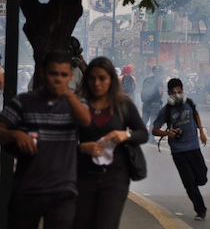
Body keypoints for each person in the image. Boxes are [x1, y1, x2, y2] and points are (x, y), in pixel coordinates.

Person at [0, 50, 91, 229]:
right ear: (43, 73)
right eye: (53, 74)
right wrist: (15, 134)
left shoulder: (76, 105)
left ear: (70, 77)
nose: (57, 79)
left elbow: (87, 122)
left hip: (62, 190)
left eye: (63, 75)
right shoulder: (23, 103)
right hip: (27, 189)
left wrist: (68, 95)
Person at [73, 56, 148, 229]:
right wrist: (82, 147)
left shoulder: (123, 104)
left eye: (102, 78)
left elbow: (142, 133)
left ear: (111, 80)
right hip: (83, 174)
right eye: (92, 78)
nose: (97, 83)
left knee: (106, 224)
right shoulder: (78, 105)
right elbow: (64, 139)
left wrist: (126, 135)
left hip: (115, 176)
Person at [152, 78, 208, 221]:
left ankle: (197, 183)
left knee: (201, 178)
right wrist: (167, 133)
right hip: (178, 151)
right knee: (189, 183)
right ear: (169, 93)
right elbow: (154, 130)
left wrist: (201, 131)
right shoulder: (166, 110)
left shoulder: (188, 103)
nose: (177, 94)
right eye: (174, 92)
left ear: (183, 90)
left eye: (179, 91)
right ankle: (200, 210)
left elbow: (196, 115)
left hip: (194, 147)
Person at [141, 65, 164, 144]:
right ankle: (151, 138)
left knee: (144, 120)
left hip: (146, 103)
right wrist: (159, 99)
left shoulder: (146, 80)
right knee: (153, 121)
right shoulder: (159, 81)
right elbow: (161, 92)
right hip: (155, 104)